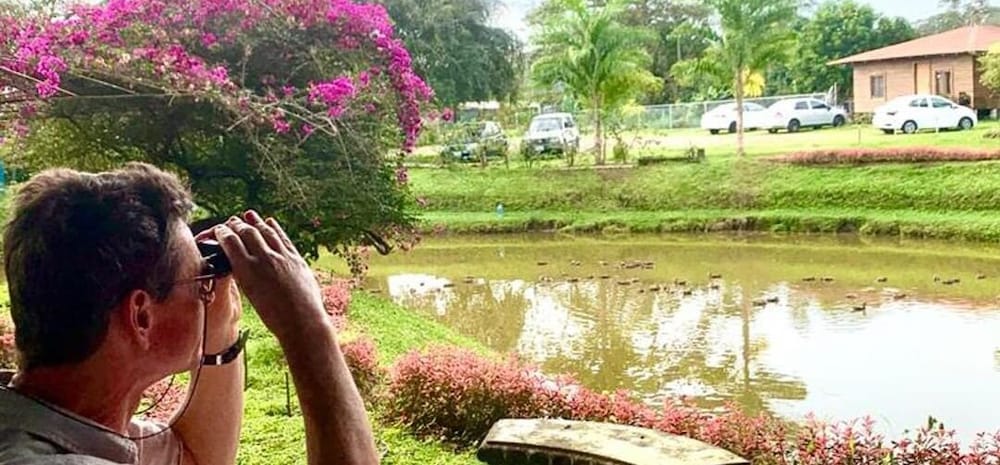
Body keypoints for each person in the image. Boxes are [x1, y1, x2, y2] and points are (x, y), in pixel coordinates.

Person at [0, 163, 378, 465]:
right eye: (199, 283)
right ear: (142, 317)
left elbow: (197, 457)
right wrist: (307, 326)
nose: (206, 291)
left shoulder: (46, 421)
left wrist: (218, 319)